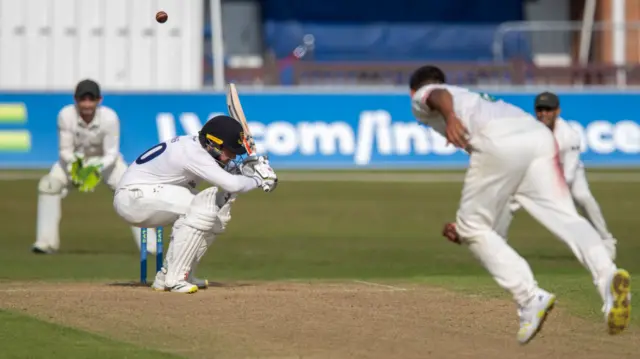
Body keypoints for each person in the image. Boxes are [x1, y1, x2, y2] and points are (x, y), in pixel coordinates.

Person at [409, 65, 631, 344]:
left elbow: (436, 94)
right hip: (536, 136)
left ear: (412, 91)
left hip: (498, 140)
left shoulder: (426, 95)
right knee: (568, 218)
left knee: (471, 227)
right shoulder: (470, 96)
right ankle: (608, 276)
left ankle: (530, 297)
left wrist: (450, 116)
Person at [113, 115, 277, 294]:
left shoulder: (199, 148)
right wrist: (257, 179)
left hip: (149, 194)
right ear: (213, 144)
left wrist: (245, 173)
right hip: (133, 198)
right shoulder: (193, 153)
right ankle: (174, 279)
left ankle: (176, 274)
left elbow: (230, 182)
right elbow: (231, 184)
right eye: (230, 151)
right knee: (202, 208)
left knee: (216, 216)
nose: (232, 156)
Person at [33, 79, 157, 254]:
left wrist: (93, 167)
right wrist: (78, 167)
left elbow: (111, 153)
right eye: (83, 99)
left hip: (107, 165)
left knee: (131, 191)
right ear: (76, 100)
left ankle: (149, 246)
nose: (87, 104)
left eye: (91, 100)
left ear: (99, 100)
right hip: (73, 164)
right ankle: (46, 243)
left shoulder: (110, 118)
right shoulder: (65, 115)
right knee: (48, 186)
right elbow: (64, 150)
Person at [493, 92, 618, 260]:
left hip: (567, 172)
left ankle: (606, 240)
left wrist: (550, 193)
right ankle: (497, 245)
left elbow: (569, 174)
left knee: (583, 197)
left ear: (557, 111)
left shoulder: (569, 136)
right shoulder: (528, 132)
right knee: (510, 201)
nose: (543, 113)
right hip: (538, 171)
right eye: (540, 109)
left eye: (548, 109)